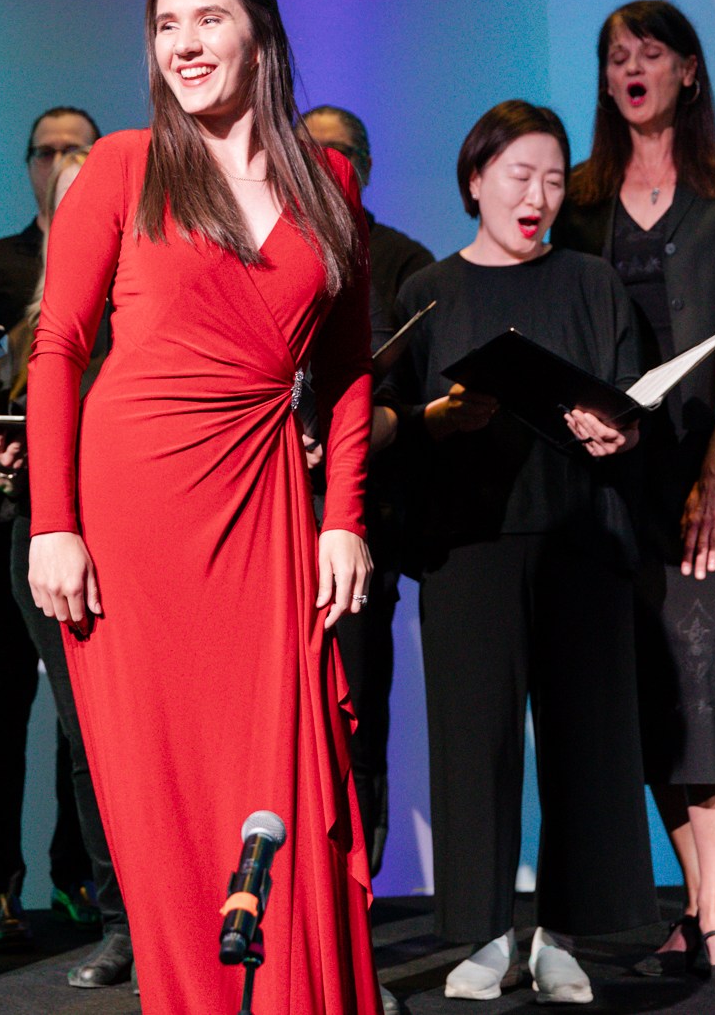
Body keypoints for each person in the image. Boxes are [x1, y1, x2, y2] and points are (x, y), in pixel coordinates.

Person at [26, 0, 381, 1014]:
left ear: (259, 38)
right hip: (133, 511)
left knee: (280, 777)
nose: (181, 42)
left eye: (206, 19)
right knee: (164, 793)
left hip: (267, 510)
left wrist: (342, 517)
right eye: (164, 24)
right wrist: (53, 523)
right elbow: (58, 346)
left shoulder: (329, 182)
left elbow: (348, 367)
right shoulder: (123, 165)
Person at [375, 100, 655, 1004]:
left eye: (552, 178)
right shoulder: (429, 291)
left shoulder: (591, 281)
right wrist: (439, 419)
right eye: (517, 175)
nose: (536, 196)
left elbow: (634, 396)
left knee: (584, 739)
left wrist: (619, 427)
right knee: (474, 741)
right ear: (475, 180)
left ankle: (565, 933)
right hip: (469, 543)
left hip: (580, 534)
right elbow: (391, 424)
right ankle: (485, 932)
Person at [552, 0, 715, 990]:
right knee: (647, 683)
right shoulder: (581, 196)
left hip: (707, 462)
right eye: (615, 57)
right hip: (613, 476)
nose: (629, 68)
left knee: (704, 669)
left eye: (648, 52)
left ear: (688, 69)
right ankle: (694, 907)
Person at [0, 144, 133, 988]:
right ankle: (122, 923)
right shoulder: (27, 332)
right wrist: (0, 465)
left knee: (152, 739)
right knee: (87, 739)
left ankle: (180, 911)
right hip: (49, 543)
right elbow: (9, 446)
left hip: (143, 541)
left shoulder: (152, 304)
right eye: (69, 203)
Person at [0, 106, 102, 947]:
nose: (60, 162)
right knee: (0, 693)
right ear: (29, 163)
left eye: (78, 149)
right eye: (47, 150)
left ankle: (79, 874)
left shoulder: (123, 271)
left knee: (85, 701)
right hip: (7, 505)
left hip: (90, 506)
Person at [303, 104, 434, 875]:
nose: (326, 165)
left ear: (365, 165)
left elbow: (412, 398)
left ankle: (357, 890)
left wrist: (349, 433)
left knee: (356, 708)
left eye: (341, 152)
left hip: (358, 514)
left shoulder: (399, 260)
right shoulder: (266, 242)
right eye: (310, 150)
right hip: (269, 513)